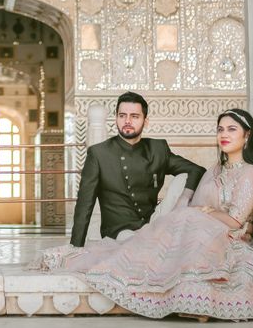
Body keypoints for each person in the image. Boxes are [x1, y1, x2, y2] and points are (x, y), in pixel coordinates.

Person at [33, 107, 253, 321]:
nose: (224, 135)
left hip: (229, 239)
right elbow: (195, 205)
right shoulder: (215, 170)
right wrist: (192, 208)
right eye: (220, 129)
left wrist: (203, 211)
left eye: (232, 129)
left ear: (247, 136)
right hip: (199, 228)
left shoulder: (250, 173)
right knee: (169, 230)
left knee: (182, 223)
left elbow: (235, 220)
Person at [70, 92, 205, 245]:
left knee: (184, 177)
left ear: (145, 121)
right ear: (116, 118)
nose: (127, 121)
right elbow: (84, 205)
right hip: (120, 231)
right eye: (122, 115)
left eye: (134, 116)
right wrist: (75, 247)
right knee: (137, 244)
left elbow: (197, 170)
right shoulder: (99, 154)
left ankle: (161, 235)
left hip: (154, 222)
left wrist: (184, 199)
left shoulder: (157, 149)